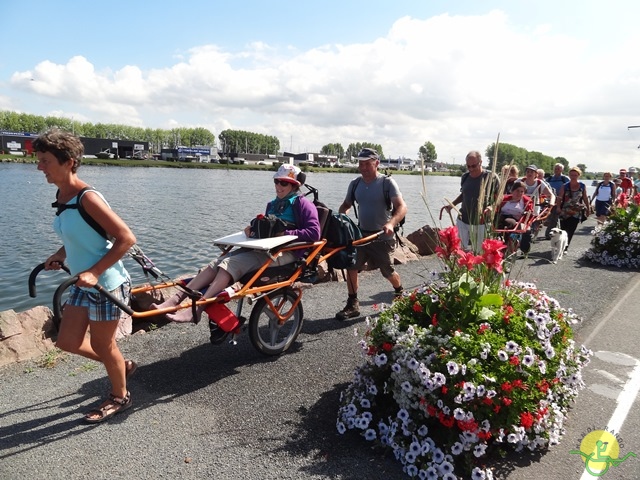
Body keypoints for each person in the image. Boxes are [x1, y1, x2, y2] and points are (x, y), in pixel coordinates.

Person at [35, 128, 137, 423]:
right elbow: (78, 235)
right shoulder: (62, 195)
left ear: (68, 162)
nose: (39, 166)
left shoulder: (87, 197)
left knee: (103, 345)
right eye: (39, 160)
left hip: (106, 284)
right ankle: (121, 365)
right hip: (84, 281)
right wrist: (61, 254)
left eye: (45, 161)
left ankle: (120, 396)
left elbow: (126, 238)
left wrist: (94, 271)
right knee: (66, 341)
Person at [153, 164, 321, 323]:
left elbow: (314, 232)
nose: (278, 185)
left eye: (283, 182)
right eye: (276, 181)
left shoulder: (302, 204)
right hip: (266, 249)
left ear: (293, 185)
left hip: (287, 253)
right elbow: (268, 226)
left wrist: (286, 233)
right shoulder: (272, 204)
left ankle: (197, 309)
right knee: (216, 264)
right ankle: (175, 300)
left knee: (229, 263)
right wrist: (252, 229)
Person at [334, 148, 407, 320]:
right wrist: (342, 218)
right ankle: (353, 304)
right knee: (351, 267)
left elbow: (402, 207)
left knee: (387, 272)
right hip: (361, 236)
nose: (363, 167)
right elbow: (345, 205)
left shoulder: (387, 183)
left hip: (383, 237)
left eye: (367, 163)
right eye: (360, 163)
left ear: (376, 163)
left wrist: (390, 223)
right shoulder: (355, 184)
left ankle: (399, 291)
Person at [444, 151, 499, 252]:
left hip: (481, 222)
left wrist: (491, 207)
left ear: (481, 162)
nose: (471, 169)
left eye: (473, 166)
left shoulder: (492, 177)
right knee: (461, 250)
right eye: (468, 166)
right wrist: (452, 205)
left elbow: (500, 198)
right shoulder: (465, 177)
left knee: (479, 252)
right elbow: (464, 194)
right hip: (463, 219)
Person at [555, 166, 590, 248]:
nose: (573, 177)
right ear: (569, 175)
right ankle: (561, 244)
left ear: (578, 175)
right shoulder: (565, 186)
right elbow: (560, 197)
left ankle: (565, 246)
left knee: (571, 230)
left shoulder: (582, 186)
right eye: (571, 175)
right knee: (563, 229)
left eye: (575, 175)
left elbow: (585, 197)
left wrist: (588, 208)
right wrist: (558, 207)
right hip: (565, 211)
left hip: (576, 211)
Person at [495, 180, 534, 253]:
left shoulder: (526, 201)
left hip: (516, 220)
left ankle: (511, 246)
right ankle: (500, 244)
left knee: (510, 223)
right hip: (501, 217)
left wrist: (527, 214)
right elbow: (496, 208)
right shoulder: (504, 199)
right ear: (512, 191)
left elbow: (529, 212)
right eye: (517, 190)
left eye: (521, 191)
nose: (519, 193)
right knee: (499, 222)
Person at [544, 163, 569, 239]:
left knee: (559, 217)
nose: (556, 170)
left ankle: (551, 233)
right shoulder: (549, 179)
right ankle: (550, 233)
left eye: (558, 168)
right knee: (552, 217)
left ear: (562, 170)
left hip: (562, 200)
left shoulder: (565, 179)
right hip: (551, 200)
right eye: (555, 168)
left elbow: (569, 188)